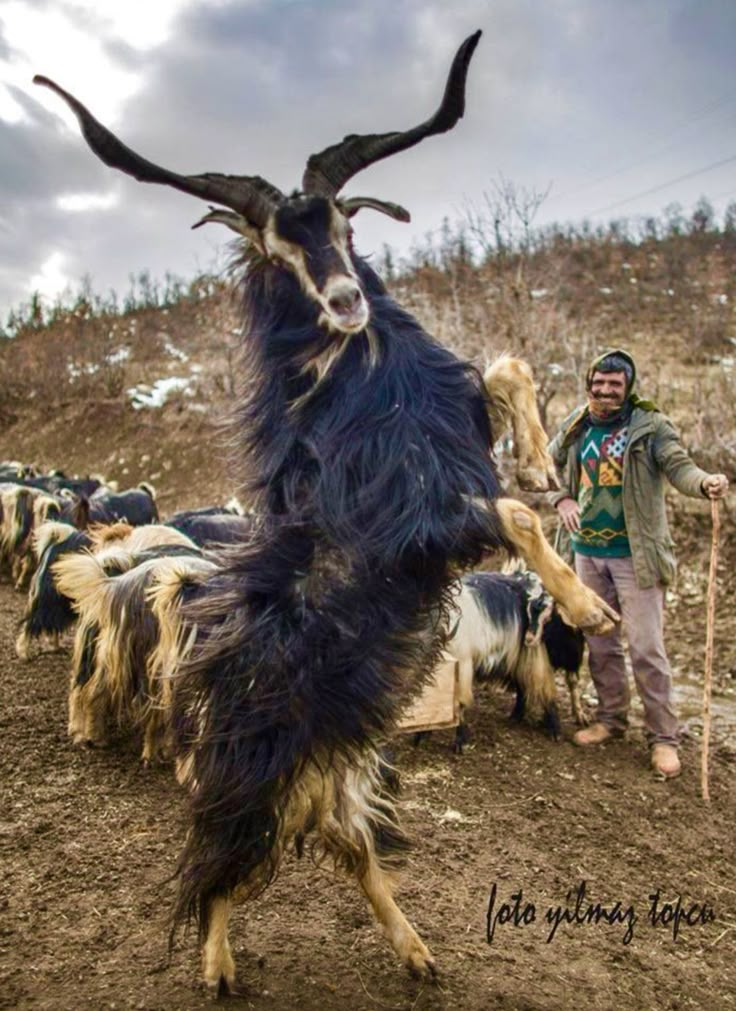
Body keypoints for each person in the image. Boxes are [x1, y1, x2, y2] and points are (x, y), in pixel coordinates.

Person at [548, 349, 729, 778]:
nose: (605, 391)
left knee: (647, 647)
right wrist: (562, 498)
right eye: (599, 382)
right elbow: (546, 462)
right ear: (588, 382)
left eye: (615, 384)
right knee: (600, 642)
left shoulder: (649, 426)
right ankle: (611, 719)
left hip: (637, 557)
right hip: (586, 553)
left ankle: (663, 737)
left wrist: (704, 483)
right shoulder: (576, 425)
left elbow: (678, 467)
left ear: (629, 388)